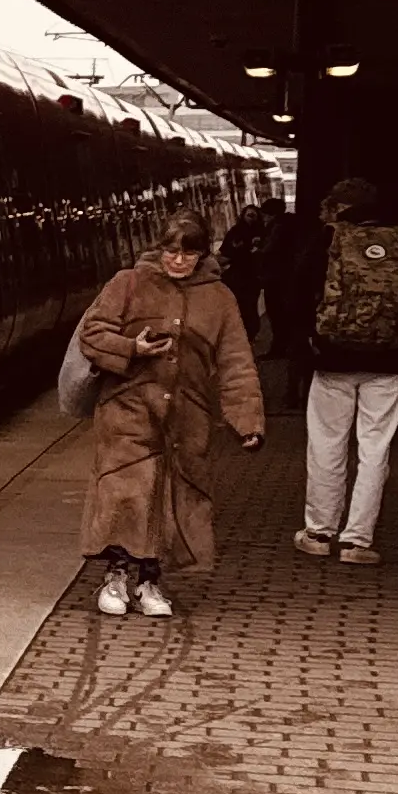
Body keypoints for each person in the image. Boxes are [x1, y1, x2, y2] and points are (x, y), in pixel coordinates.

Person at [76, 209, 267, 617]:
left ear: (202, 253)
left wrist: (247, 421)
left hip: (187, 415)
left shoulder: (219, 298)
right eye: (171, 251)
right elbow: (92, 334)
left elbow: (237, 362)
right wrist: (132, 349)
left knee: (172, 498)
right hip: (128, 409)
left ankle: (150, 582)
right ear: (159, 248)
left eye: (189, 253)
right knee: (128, 490)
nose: (178, 261)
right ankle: (116, 576)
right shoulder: (128, 283)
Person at [283, 175, 398, 567]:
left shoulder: (330, 238)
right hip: (389, 360)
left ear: (341, 207)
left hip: (333, 359)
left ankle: (318, 532)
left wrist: (307, 342)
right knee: (375, 447)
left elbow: (296, 292)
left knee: (327, 443)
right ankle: (357, 540)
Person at [220, 193, 282, 353]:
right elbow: (226, 251)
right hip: (238, 276)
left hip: (252, 276)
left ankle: (250, 333)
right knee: (240, 306)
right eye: (249, 215)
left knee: (249, 306)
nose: (251, 219)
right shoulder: (236, 232)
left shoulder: (264, 232)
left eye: (254, 216)